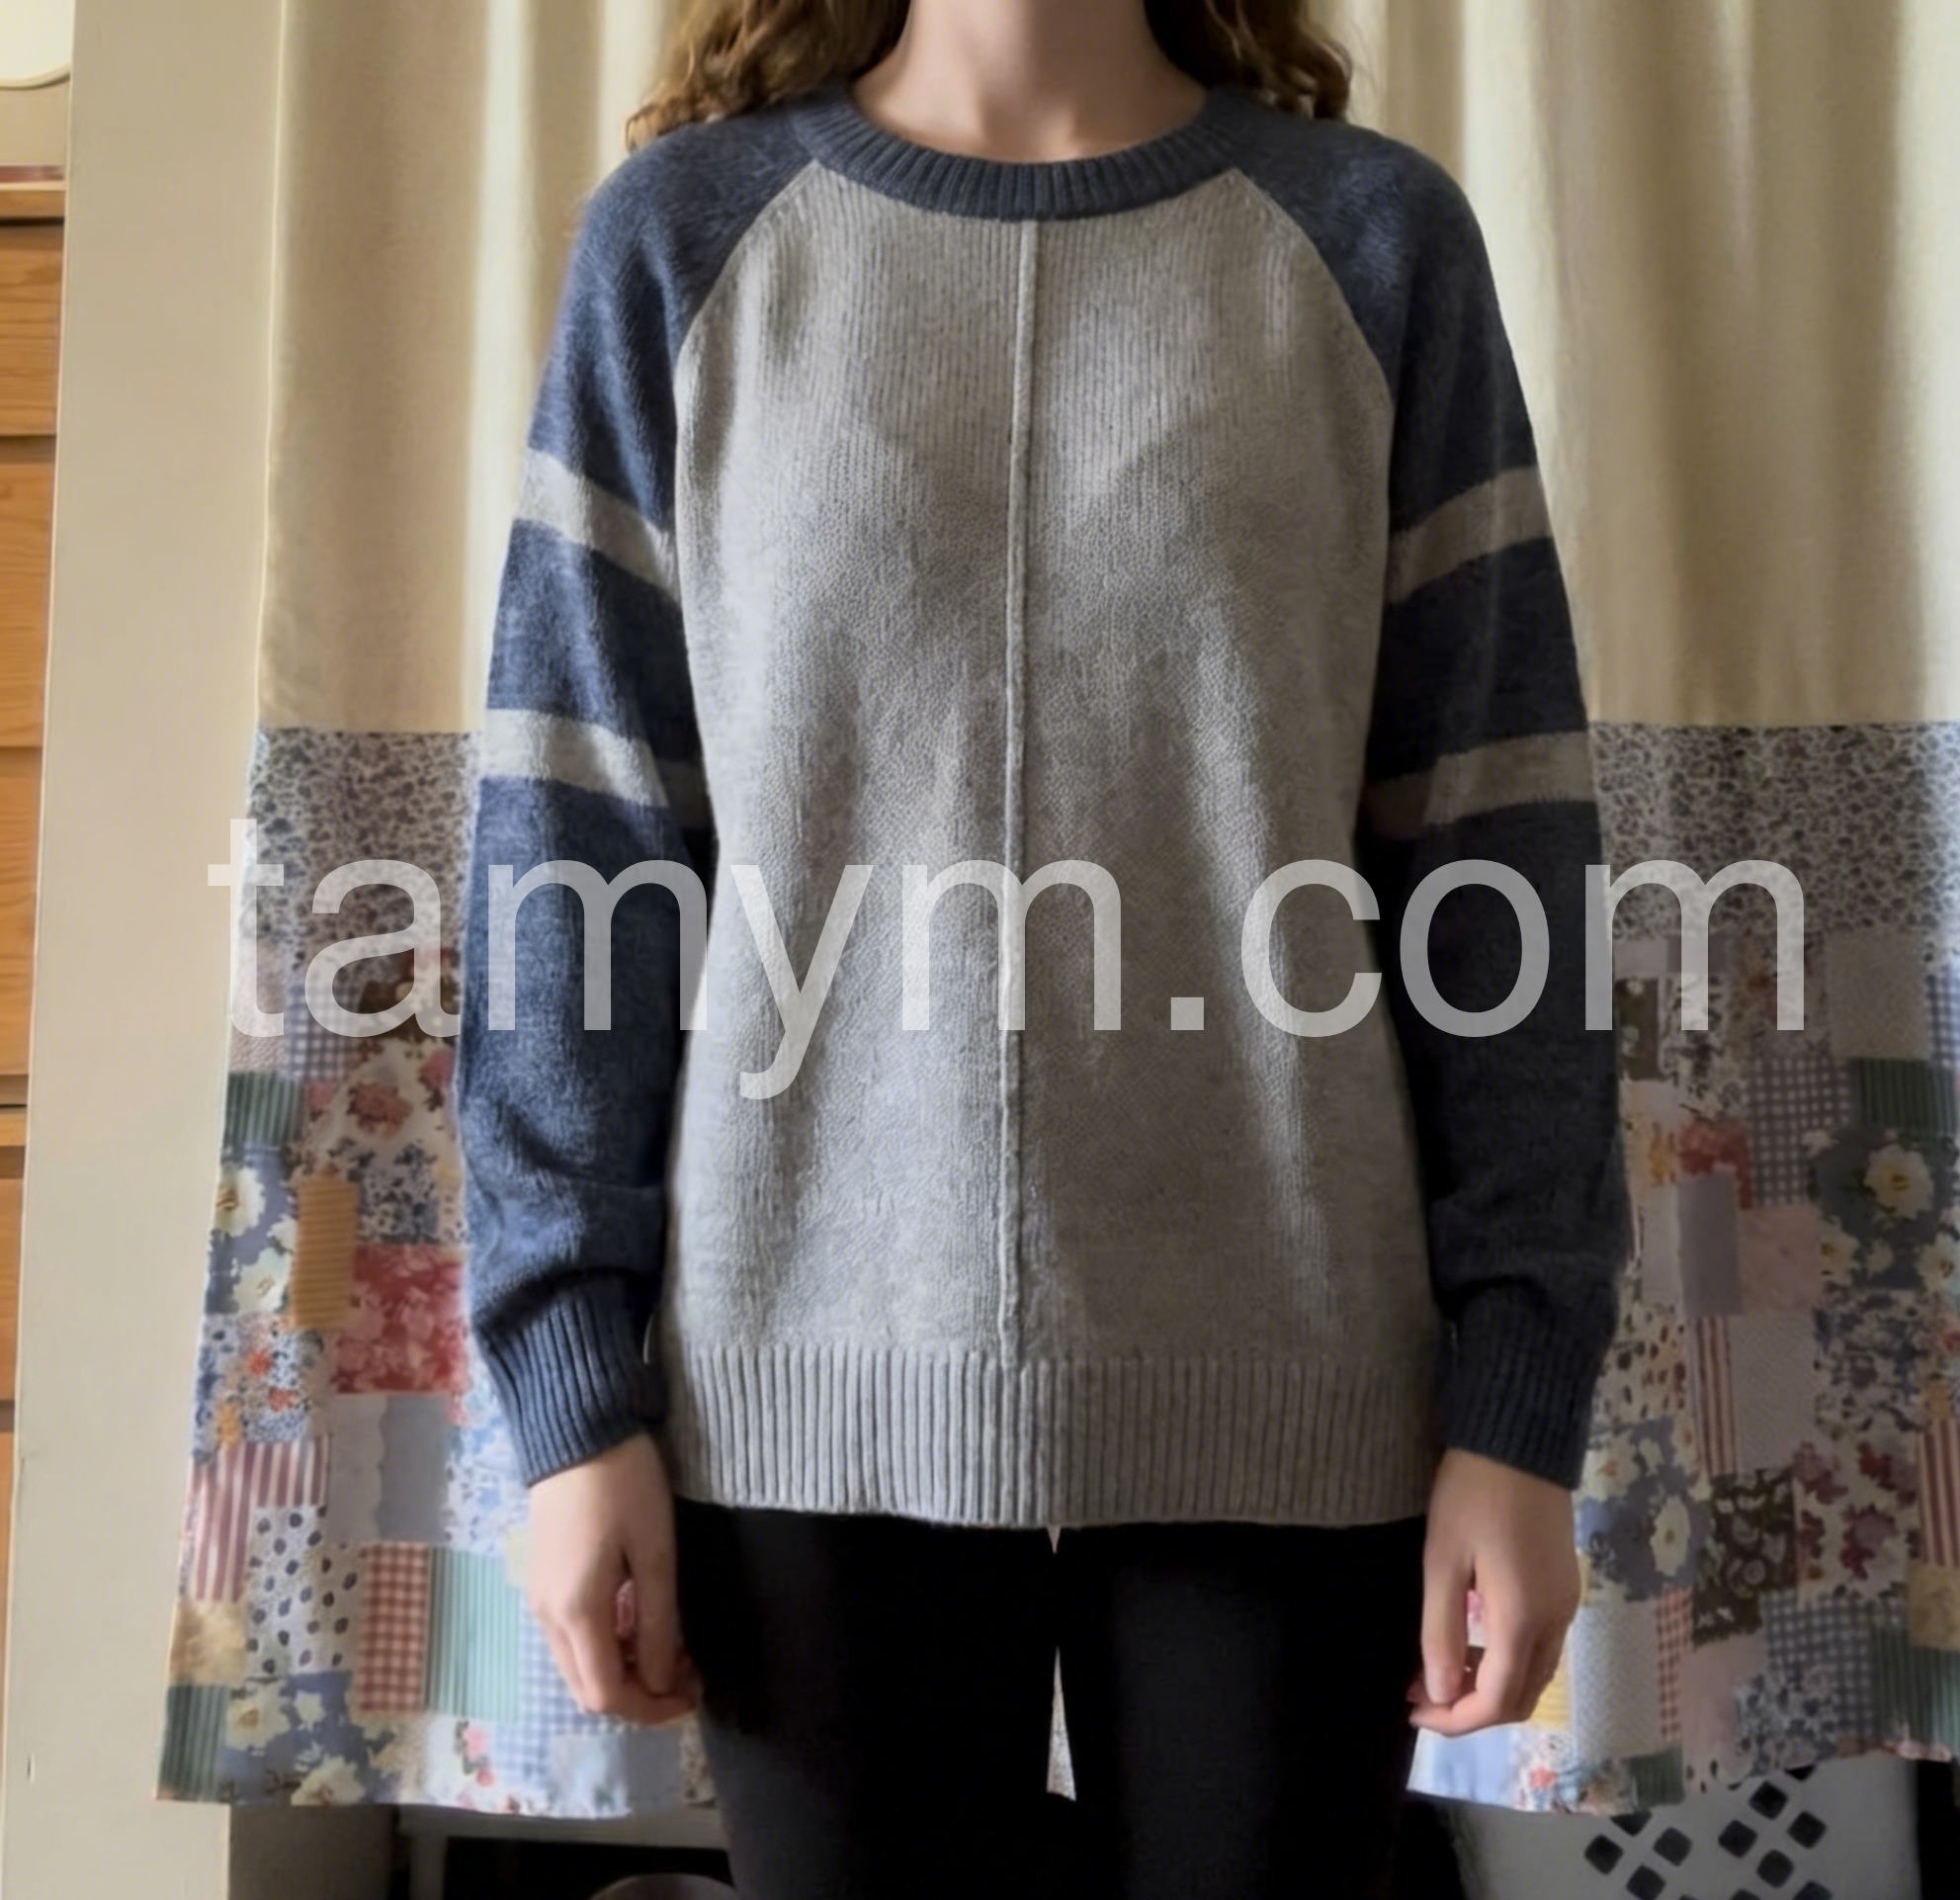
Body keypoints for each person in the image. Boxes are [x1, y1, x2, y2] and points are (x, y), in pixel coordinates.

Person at [454, 0, 1632, 1893]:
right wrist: (570, 1392)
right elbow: (575, 850)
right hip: (798, 1393)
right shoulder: (680, 243)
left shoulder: (1371, 240)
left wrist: (1520, 1394)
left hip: (1291, 1371)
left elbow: (1497, 846)